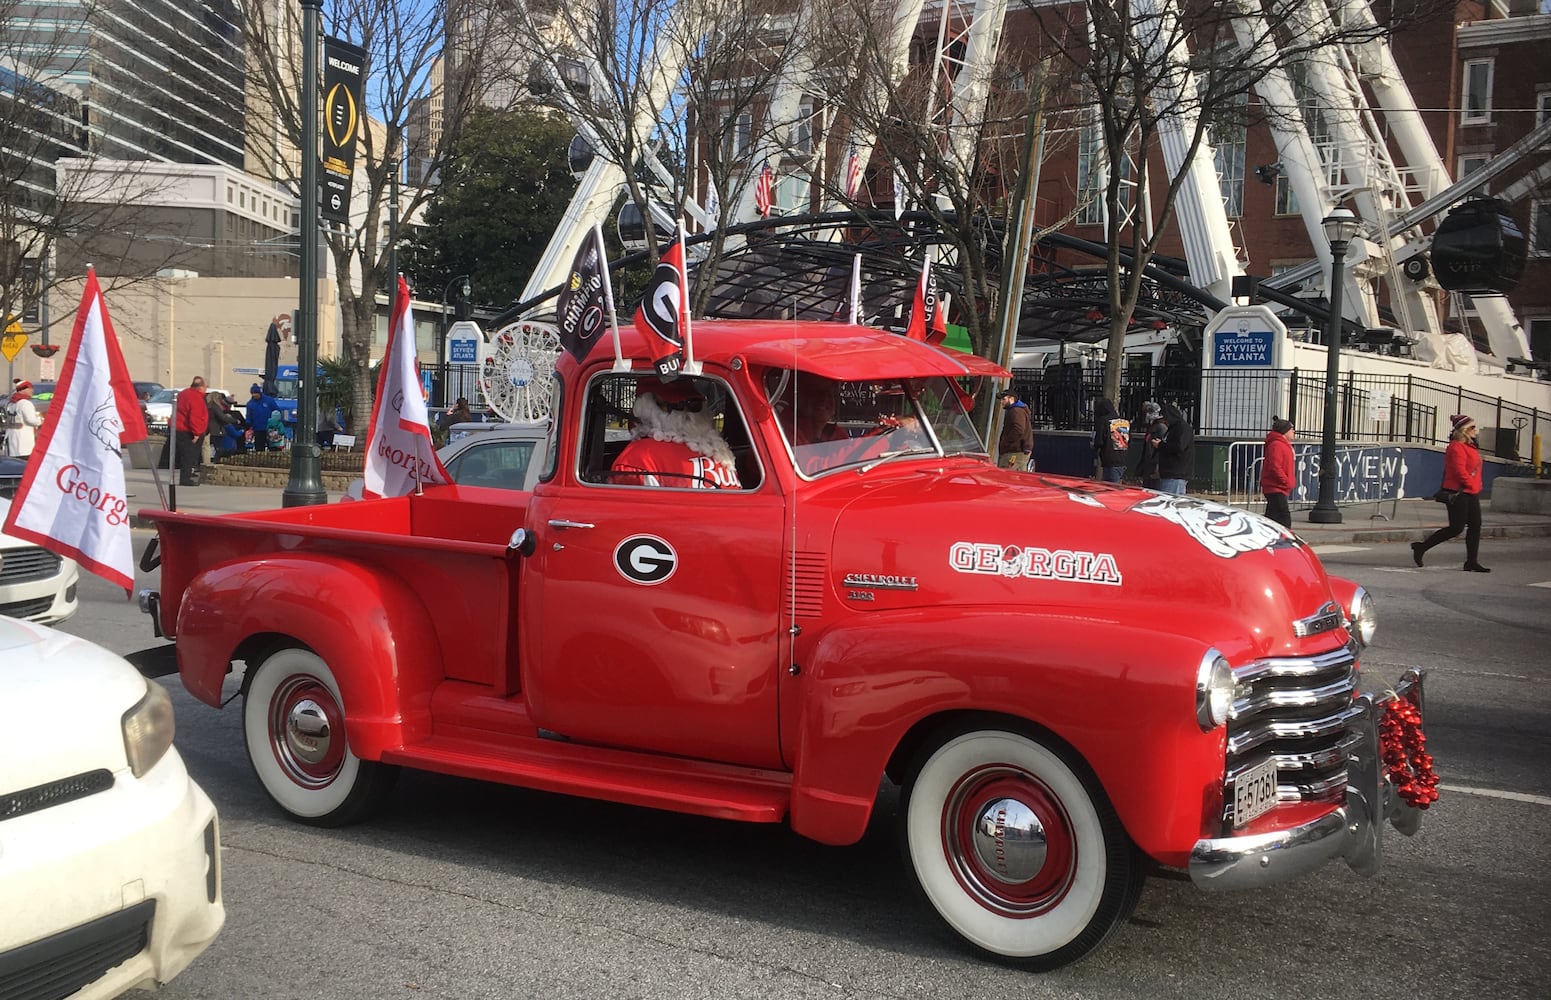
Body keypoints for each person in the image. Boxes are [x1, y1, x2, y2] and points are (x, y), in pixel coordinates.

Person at [610, 378, 741, 489]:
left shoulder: (640, 458)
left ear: (646, 407)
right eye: (678, 405)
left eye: (693, 405)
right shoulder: (721, 455)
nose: (686, 411)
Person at [1412, 414, 1489, 572]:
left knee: (1476, 525)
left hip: (1471, 492)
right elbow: (1459, 471)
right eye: (1472, 427)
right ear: (1464, 430)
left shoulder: (1470, 446)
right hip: (1458, 492)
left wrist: (1476, 486)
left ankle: (1471, 562)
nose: (1476, 430)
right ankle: (1422, 547)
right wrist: (1471, 485)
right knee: (1456, 528)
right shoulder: (1456, 447)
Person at [164, 375, 210, 486]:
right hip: (187, 430)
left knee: (184, 454)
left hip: (178, 428)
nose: (206, 389)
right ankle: (185, 478)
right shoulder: (196, 397)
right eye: (205, 387)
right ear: (201, 387)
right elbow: (195, 416)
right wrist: (196, 433)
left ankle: (187, 474)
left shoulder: (184, 393)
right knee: (189, 455)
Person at [1260, 416, 1296, 528]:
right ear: (1284, 431)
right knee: (1283, 516)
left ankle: (1267, 535)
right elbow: (1275, 466)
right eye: (1291, 429)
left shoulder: (1282, 444)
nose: (1293, 431)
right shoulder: (1277, 445)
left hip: (1278, 486)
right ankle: (1287, 538)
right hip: (1276, 486)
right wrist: (1286, 481)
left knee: (1272, 516)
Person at [1156, 402, 1195, 495]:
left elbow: (1179, 446)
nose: (1164, 422)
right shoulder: (1174, 428)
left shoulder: (1182, 428)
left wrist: (1160, 445)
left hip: (1176, 473)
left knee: (1170, 501)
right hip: (1171, 472)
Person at [1092, 397, 1129, 483]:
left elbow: (1099, 441)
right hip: (1122, 460)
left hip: (1109, 460)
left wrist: (1095, 448)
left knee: (1110, 488)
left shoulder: (1103, 421)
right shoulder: (1123, 422)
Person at [3, 379, 42, 459]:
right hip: (24, 444)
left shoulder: (11, 403)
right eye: (30, 388)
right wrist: (40, 421)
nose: (32, 391)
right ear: (23, 390)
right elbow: (31, 420)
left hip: (12, 441)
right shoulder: (25, 403)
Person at [997, 388, 1033, 471]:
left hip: (1014, 451)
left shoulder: (1016, 411)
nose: (1001, 402)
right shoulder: (1019, 410)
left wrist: (1006, 441)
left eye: (1004, 399)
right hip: (1019, 451)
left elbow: (1018, 429)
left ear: (1012, 399)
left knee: (1006, 476)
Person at [1134, 401, 1167, 489]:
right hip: (1148, 465)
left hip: (1155, 466)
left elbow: (1163, 446)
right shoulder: (1151, 427)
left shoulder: (1161, 427)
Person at [245, 384, 279, 450]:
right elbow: (248, 416)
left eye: (256, 393)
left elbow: (276, 411)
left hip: (270, 428)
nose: (254, 395)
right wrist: (248, 424)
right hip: (258, 429)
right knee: (259, 448)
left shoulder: (269, 400)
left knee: (273, 447)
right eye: (252, 393)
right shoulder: (250, 404)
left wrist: (275, 422)